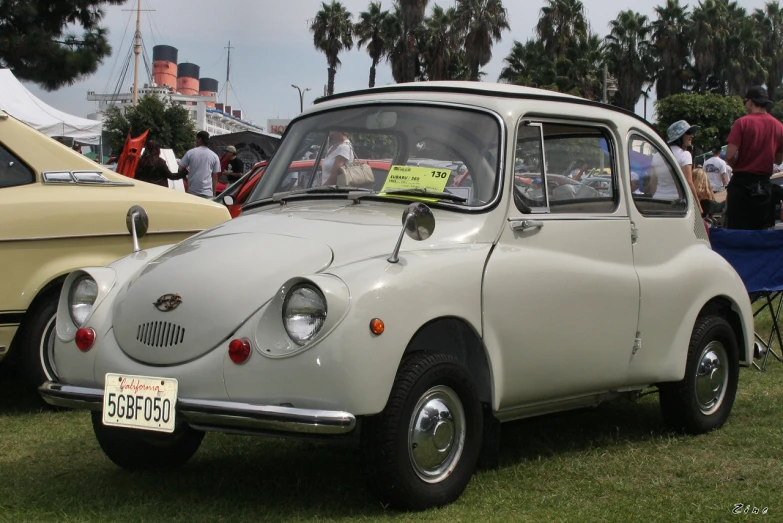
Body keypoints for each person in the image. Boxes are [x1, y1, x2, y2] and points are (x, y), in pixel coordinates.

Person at [724, 86, 783, 229]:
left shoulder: (742, 123)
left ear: (750, 102)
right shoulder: (779, 126)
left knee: (736, 230)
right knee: (761, 231)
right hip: (763, 186)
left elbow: (729, 156)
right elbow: (778, 160)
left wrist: (737, 164)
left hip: (741, 184)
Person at [652, 120, 702, 214]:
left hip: (657, 201)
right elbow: (689, 182)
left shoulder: (656, 156)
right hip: (676, 204)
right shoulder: (685, 155)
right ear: (679, 137)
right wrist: (698, 206)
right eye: (688, 133)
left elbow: (652, 183)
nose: (692, 136)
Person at [174, 130, 221, 198]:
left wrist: (186, 179)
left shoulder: (190, 153)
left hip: (192, 191)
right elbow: (215, 177)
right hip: (208, 193)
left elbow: (180, 169)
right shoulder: (214, 156)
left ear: (199, 139)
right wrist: (214, 194)